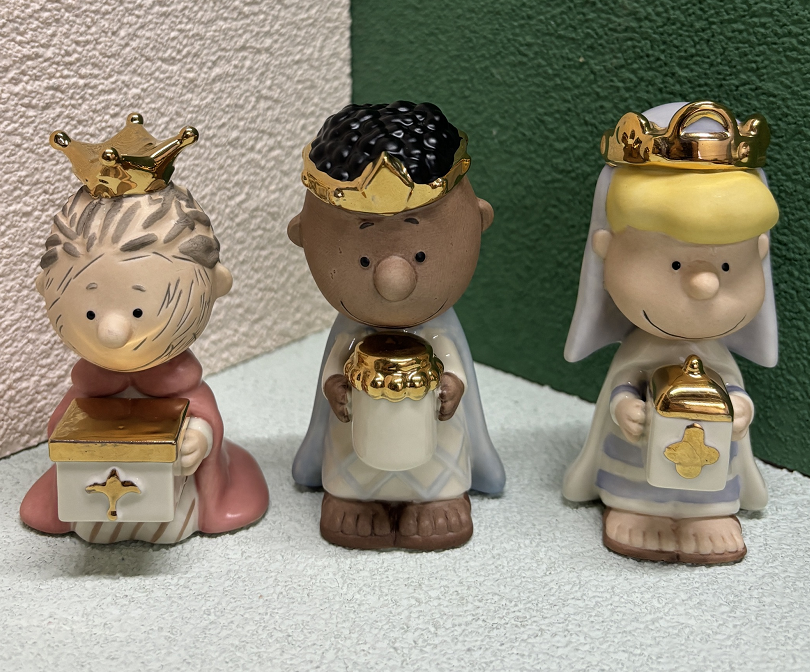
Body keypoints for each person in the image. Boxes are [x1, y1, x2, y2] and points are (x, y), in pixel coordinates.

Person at [21, 114, 269, 543]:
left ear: (215, 286)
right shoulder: (91, 384)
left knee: (172, 513)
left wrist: (198, 438)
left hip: (176, 496)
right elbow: (64, 428)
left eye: (138, 310)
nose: (112, 334)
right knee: (90, 512)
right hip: (94, 497)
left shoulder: (179, 383)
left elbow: (202, 417)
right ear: (46, 289)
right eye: (90, 313)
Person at [563, 101, 778, 563]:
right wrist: (625, 407)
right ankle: (636, 508)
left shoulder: (715, 352)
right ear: (606, 249)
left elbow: (733, 386)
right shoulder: (641, 350)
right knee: (635, 469)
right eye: (675, 264)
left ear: (760, 251)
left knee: (714, 474)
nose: (705, 285)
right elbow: (624, 385)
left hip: (709, 473)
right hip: (636, 468)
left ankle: (708, 515)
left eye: (727, 266)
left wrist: (740, 407)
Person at [289, 101, 505, 550]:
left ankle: (438, 497)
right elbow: (334, 367)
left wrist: (452, 385)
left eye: (419, 255)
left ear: (479, 221)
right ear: (302, 236)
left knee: (440, 455)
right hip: (357, 437)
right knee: (349, 458)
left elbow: (453, 365)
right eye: (364, 259)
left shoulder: (438, 331)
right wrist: (336, 387)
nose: (393, 281)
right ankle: (352, 498)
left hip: (432, 438)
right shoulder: (350, 334)